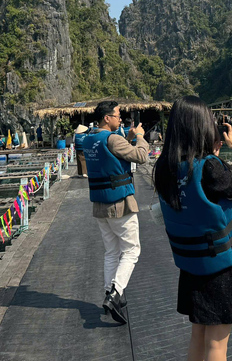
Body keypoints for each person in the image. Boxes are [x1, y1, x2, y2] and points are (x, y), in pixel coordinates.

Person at [153, 96, 232, 361]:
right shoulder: (210, 166)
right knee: (217, 346)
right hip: (219, 266)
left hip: (190, 266)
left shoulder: (164, 167)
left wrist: (213, 158)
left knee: (198, 335)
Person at [83, 101, 149, 325]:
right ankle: (115, 293)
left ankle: (108, 293)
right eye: (117, 115)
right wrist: (139, 136)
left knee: (111, 251)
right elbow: (141, 157)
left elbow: (112, 154)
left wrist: (127, 138)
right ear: (106, 119)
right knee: (131, 251)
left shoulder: (89, 139)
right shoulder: (112, 138)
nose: (120, 119)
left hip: (100, 203)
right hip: (119, 203)